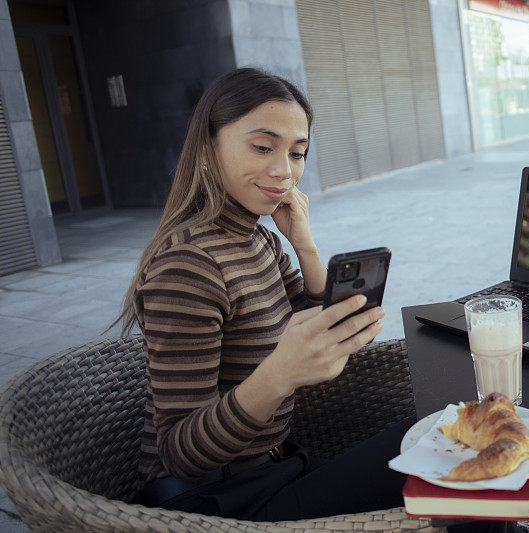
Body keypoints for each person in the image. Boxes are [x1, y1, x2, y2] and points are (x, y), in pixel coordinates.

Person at [112, 67, 408, 522]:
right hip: (210, 501)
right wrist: (279, 375)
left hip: (275, 467)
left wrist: (303, 244)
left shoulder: (261, 240)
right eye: (262, 147)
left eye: (297, 152)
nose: (283, 171)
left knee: (446, 450)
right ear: (208, 149)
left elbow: (314, 323)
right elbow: (180, 454)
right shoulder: (188, 267)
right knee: (436, 453)